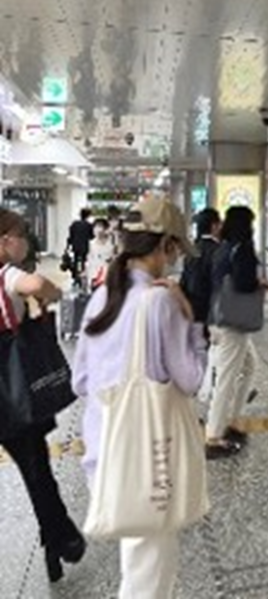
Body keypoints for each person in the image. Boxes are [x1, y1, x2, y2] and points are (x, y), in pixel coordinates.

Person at [71, 197, 204, 596]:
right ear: (165, 245)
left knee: (139, 564)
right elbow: (192, 379)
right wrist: (190, 320)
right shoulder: (160, 300)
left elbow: (80, 380)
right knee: (149, 578)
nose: (175, 259)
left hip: (103, 451)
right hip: (148, 459)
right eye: (175, 250)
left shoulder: (102, 295)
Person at [0, 208, 86, 584]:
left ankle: (57, 538)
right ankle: (62, 538)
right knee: (37, 471)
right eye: (22, 235)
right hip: (14, 389)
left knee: (35, 469)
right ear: (5, 241)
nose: (26, 243)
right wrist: (50, 295)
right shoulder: (7, 273)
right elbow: (40, 285)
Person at [205, 206, 266, 459]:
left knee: (249, 366)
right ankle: (214, 435)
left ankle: (233, 420)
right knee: (227, 378)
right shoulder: (243, 249)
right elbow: (243, 282)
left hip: (219, 317)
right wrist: (259, 284)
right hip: (233, 323)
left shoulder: (224, 247)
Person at [181, 208, 222, 404]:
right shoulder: (218, 251)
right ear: (214, 226)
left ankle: (201, 391)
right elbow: (218, 287)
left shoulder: (192, 250)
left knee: (199, 351)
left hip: (192, 309)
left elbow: (185, 281)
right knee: (213, 352)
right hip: (211, 311)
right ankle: (208, 393)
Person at [85, 218, 117, 289]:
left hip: (107, 276)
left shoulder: (111, 244)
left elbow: (114, 258)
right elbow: (89, 260)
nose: (98, 230)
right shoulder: (91, 244)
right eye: (95, 227)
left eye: (100, 227)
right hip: (94, 275)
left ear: (105, 229)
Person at [66, 208, 94, 287]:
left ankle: (75, 277)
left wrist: (68, 246)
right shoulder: (89, 225)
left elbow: (70, 235)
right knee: (84, 262)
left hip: (76, 246)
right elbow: (92, 236)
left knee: (75, 261)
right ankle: (83, 276)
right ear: (88, 216)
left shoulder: (74, 224)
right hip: (85, 247)